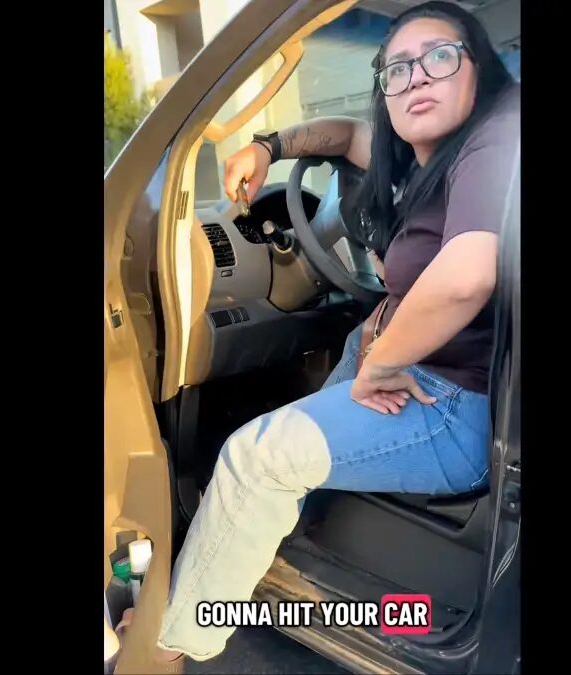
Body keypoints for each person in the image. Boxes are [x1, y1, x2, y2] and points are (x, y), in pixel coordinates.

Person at [153, 1, 520, 661]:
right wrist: (267, 147)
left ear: (480, 69)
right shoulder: (425, 154)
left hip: (451, 406)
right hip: (418, 365)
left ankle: (176, 646)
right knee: (352, 343)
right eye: (397, 69)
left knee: (252, 456)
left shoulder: (499, 135)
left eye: (440, 57)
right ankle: (260, 533)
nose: (417, 77)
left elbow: (466, 276)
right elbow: (346, 135)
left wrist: (383, 362)